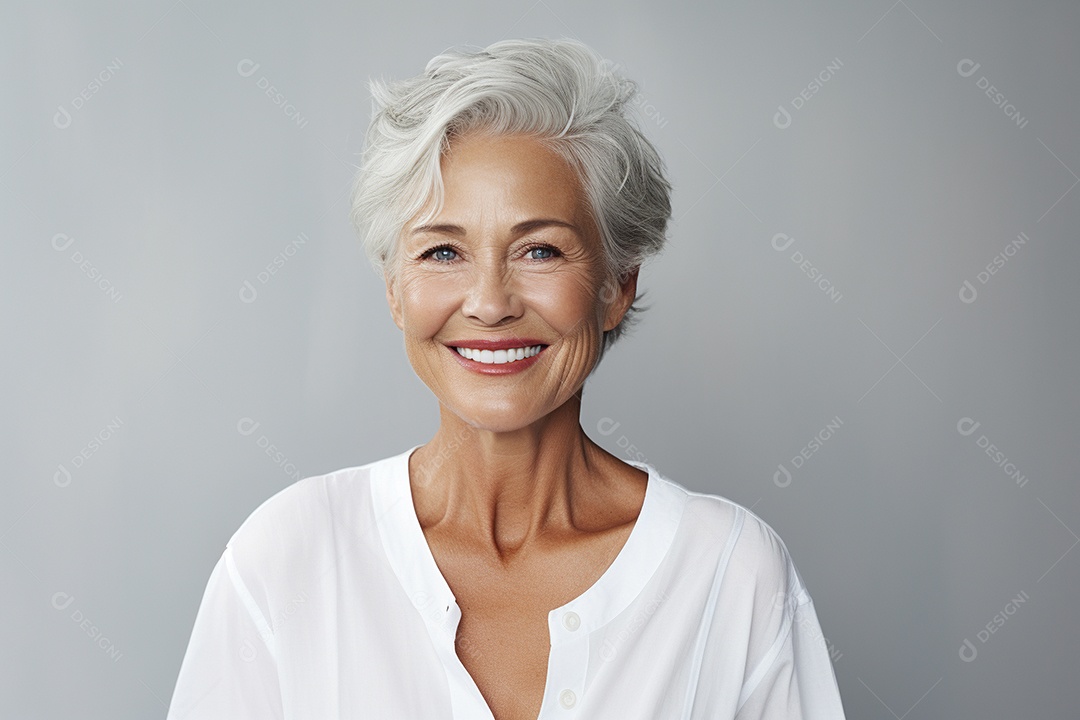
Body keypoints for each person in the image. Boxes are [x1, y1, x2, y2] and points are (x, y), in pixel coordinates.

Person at [166, 37, 847, 720]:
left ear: (616, 285)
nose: (490, 302)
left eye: (540, 250)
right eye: (443, 251)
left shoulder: (732, 576)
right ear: (396, 291)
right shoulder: (287, 560)